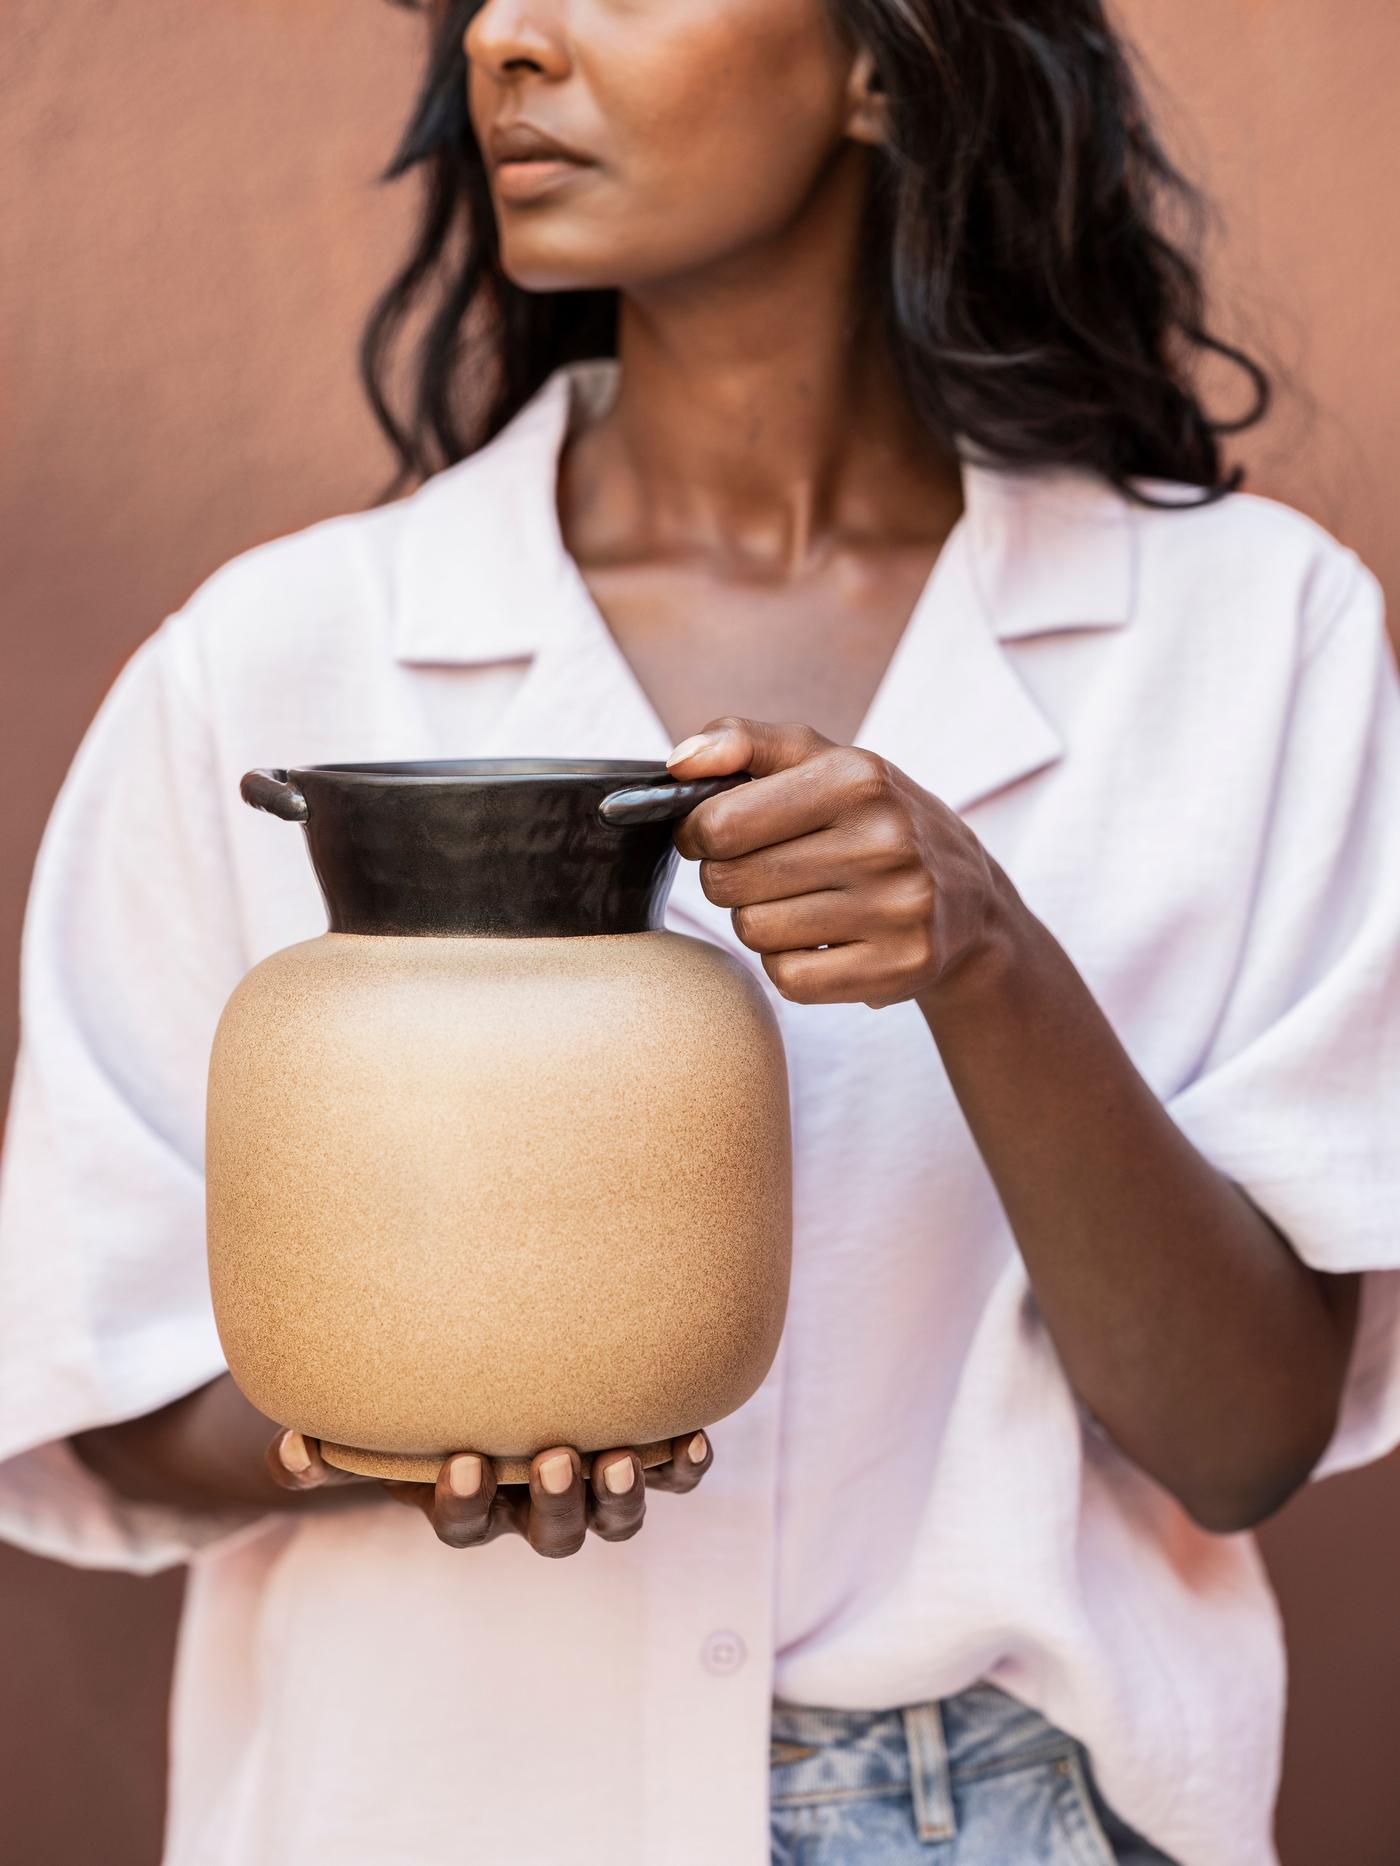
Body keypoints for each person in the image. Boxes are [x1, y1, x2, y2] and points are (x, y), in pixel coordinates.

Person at [1, 1, 1397, 1861]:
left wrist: (987, 954)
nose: (506, 38)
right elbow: (101, 1382)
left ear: (882, 61)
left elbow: (1243, 1438)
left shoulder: (1251, 636)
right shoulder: (267, 661)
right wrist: (423, 1391)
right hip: (426, 1805)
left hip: (1006, 1813)